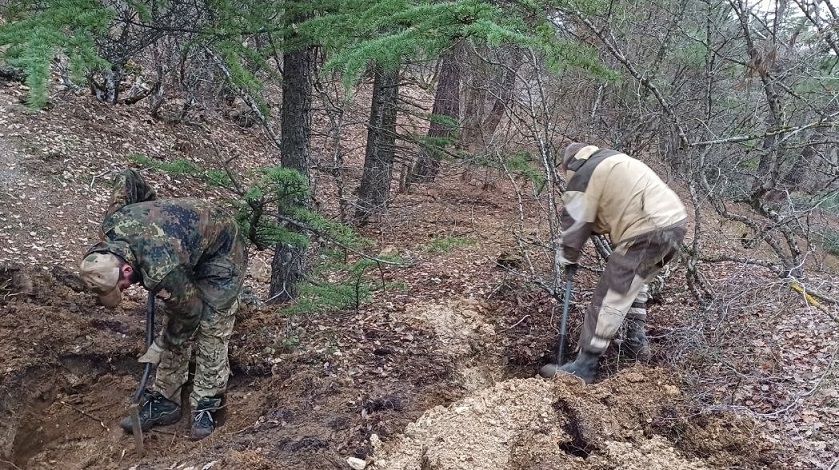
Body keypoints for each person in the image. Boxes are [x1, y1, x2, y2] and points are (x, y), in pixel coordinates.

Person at [79, 169, 247, 439]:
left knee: (210, 324)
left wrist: (160, 345)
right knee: (175, 318)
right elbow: (128, 177)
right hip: (181, 246)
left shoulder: (160, 269)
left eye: (121, 287)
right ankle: (166, 401)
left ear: (126, 270)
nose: (125, 290)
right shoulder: (111, 225)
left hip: (221, 247)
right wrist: (152, 206)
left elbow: (190, 313)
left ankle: (206, 403)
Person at [540, 143, 687, 383]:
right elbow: (605, 213)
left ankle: (584, 366)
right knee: (634, 285)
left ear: (569, 166)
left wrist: (568, 257)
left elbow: (574, 220)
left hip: (649, 227)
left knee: (610, 291)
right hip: (674, 223)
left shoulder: (584, 172)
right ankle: (635, 343)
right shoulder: (610, 161)